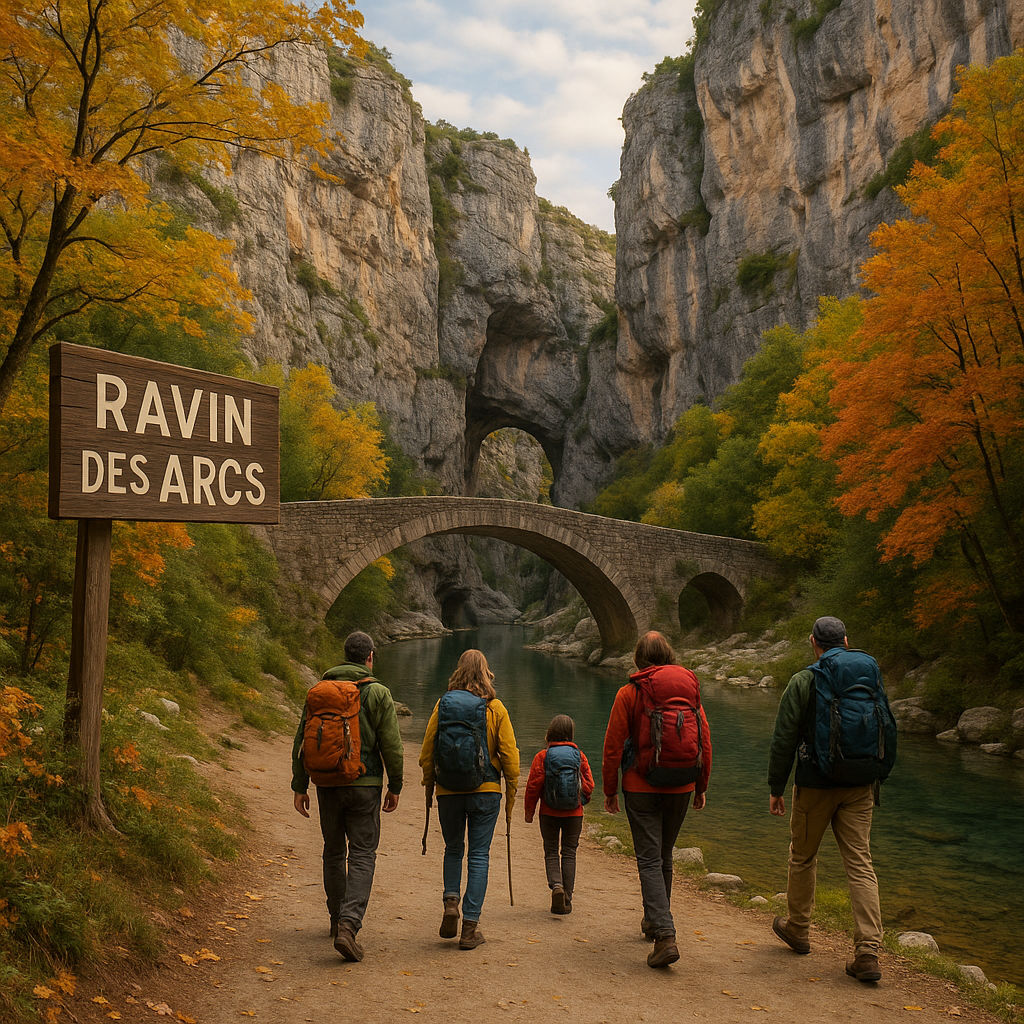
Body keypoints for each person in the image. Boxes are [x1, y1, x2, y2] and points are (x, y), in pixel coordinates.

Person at [767, 615, 887, 983]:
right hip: (861, 784)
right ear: (846, 641)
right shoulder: (869, 672)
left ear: (812, 642)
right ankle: (867, 949)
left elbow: (785, 736)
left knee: (802, 857)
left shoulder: (805, 679)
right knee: (860, 863)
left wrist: (776, 787)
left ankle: (799, 929)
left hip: (815, 784)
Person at [291, 631, 403, 962]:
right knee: (363, 854)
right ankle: (349, 926)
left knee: (333, 851)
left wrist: (300, 786)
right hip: (365, 786)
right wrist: (394, 785)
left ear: (344, 655)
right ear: (370, 656)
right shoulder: (379, 692)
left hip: (327, 785)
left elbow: (302, 739)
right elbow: (392, 745)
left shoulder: (318, 692)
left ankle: (335, 918)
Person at [602, 631, 712, 968]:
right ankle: (653, 921)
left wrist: (609, 789)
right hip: (680, 786)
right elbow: (704, 741)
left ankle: (664, 934)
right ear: (669, 655)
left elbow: (613, 746)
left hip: (640, 785)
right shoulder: (690, 689)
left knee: (649, 858)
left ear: (638, 658)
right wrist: (701, 785)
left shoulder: (629, 692)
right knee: (663, 855)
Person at [420, 649, 519, 950]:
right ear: (486, 672)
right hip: (486, 792)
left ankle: (451, 901)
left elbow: (427, 752)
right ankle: (470, 928)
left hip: (448, 791)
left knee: (453, 849)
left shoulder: (443, 705)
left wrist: (430, 787)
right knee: (479, 855)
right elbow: (511, 759)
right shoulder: (495, 708)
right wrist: (511, 800)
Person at [524, 714, 595, 915]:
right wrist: (581, 797)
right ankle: (567, 899)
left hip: (549, 813)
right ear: (571, 733)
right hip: (574, 814)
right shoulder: (579, 756)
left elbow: (533, 787)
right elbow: (589, 786)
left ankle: (556, 886)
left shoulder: (543, 756)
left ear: (550, 732)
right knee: (569, 853)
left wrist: (529, 812)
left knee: (552, 851)